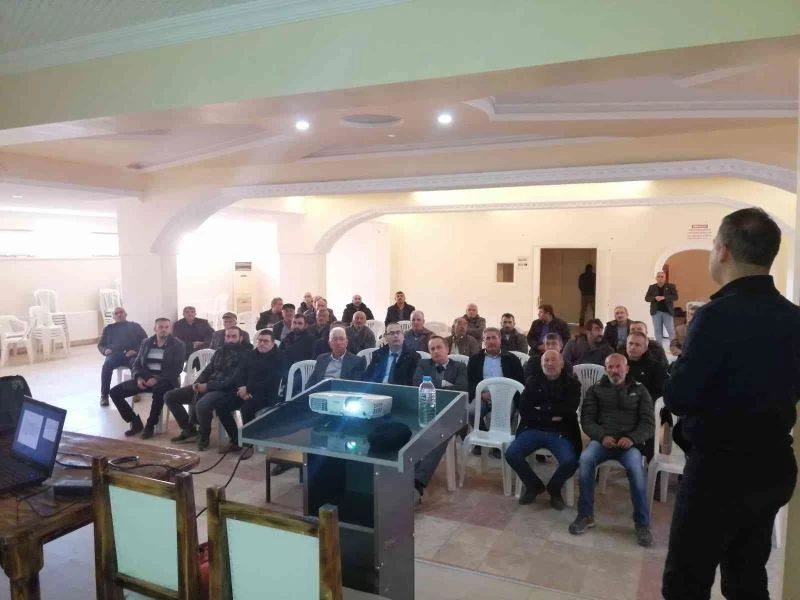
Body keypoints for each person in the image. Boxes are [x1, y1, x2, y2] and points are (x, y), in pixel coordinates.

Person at [662, 208, 800, 599]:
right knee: (747, 579)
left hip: (718, 473)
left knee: (685, 584)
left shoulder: (715, 317)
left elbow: (679, 397)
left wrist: (680, 365)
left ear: (723, 250)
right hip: (773, 467)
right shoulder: (795, 318)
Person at [570, 353, 654, 547]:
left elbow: (648, 424)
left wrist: (632, 438)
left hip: (629, 445)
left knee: (637, 471)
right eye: (610, 367)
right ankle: (585, 515)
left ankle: (642, 524)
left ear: (627, 368)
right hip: (602, 442)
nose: (614, 371)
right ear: (605, 369)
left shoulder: (640, 390)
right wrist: (601, 436)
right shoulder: (596, 390)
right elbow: (587, 419)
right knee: (585, 460)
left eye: (618, 366)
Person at [505, 350, 581, 510]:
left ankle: (554, 489)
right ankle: (534, 485)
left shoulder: (573, 384)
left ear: (561, 363)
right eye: (546, 360)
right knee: (512, 454)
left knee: (570, 461)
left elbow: (568, 410)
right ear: (541, 363)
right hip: (533, 429)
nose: (549, 363)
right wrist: (551, 415)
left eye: (553, 360)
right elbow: (524, 409)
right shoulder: (532, 382)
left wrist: (540, 411)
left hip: (561, 432)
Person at [166, 327, 251, 451]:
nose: (230, 340)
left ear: (241, 338)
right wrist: (197, 383)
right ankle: (188, 429)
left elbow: (231, 381)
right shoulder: (220, 351)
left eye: (234, 336)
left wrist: (207, 387)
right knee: (170, 396)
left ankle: (204, 436)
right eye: (228, 336)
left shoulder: (245, 355)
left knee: (202, 405)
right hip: (209, 385)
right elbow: (208, 370)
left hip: (227, 390)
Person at [411, 336, 468, 503]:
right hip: (426, 411)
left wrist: (431, 384)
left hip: (452, 414)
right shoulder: (423, 364)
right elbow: (417, 384)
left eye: (439, 347)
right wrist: (444, 383)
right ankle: (408, 475)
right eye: (432, 349)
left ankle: (418, 482)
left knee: (439, 436)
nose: (436, 351)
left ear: (447, 349)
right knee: (411, 435)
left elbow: (461, 388)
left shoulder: (460, 366)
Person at [109, 318, 185, 439]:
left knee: (159, 391)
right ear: (155, 329)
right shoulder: (146, 342)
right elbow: (136, 364)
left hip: (166, 380)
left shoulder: (178, 345)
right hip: (145, 379)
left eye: (166, 327)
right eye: (160, 327)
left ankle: (150, 425)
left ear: (170, 329)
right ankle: (135, 422)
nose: (164, 330)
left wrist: (157, 379)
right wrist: (138, 377)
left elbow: (177, 369)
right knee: (114, 392)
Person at [467, 328, 525, 456]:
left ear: (500, 340)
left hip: (506, 397)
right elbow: (469, 382)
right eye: (487, 338)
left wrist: (505, 396)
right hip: (483, 396)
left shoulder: (512, 359)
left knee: (503, 415)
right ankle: (482, 439)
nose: (491, 341)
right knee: (470, 411)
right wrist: (480, 394)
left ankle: (498, 445)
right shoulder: (475, 359)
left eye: (494, 338)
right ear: (483, 341)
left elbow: (520, 381)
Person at [97, 307, 147, 407]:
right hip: (115, 354)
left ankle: (136, 391)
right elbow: (101, 345)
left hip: (132, 354)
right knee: (106, 365)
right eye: (116, 313)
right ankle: (104, 395)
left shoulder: (135, 326)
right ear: (113, 317)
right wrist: (105, 350)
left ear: (125, 314)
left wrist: (136, 351)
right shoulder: (108, 329)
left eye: (121, 312)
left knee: (136, 365)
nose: (119, 315)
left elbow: (145, 342)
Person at [234, 329, 284, 424]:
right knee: (223, 404)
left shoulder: (279, 357)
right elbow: (239, 373)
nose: (262, 343)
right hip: (245, 390)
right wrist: (241, 387)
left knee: (246, 408)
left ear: (273, 343)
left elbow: (272, 381)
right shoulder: (251, 354)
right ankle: (234, 433)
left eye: (266, 341)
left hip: (266, 394)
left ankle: (249, 433)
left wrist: (248, 389)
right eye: (260, 340)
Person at [279, 314, 317, 394]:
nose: (296, 326)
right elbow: (280, 353)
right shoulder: (288, 337)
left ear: (305, 325)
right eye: (294, 323)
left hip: (302, 371)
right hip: (285, 368)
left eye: (300, 323)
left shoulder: (311, 339)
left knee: (289, 386)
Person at [645, 271, 679, 344]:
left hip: (667, 312)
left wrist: (664, 297)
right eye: (658, 276)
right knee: (657, 331)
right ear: (656, 278)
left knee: (670, 330)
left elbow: (675, 297)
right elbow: (647, 298)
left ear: (665, 278)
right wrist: (654, 298)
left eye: (662, 276)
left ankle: (674, 346)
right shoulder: (652, 287)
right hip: (656, 312)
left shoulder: (671, 286)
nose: (660, 278)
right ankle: (659, 347)